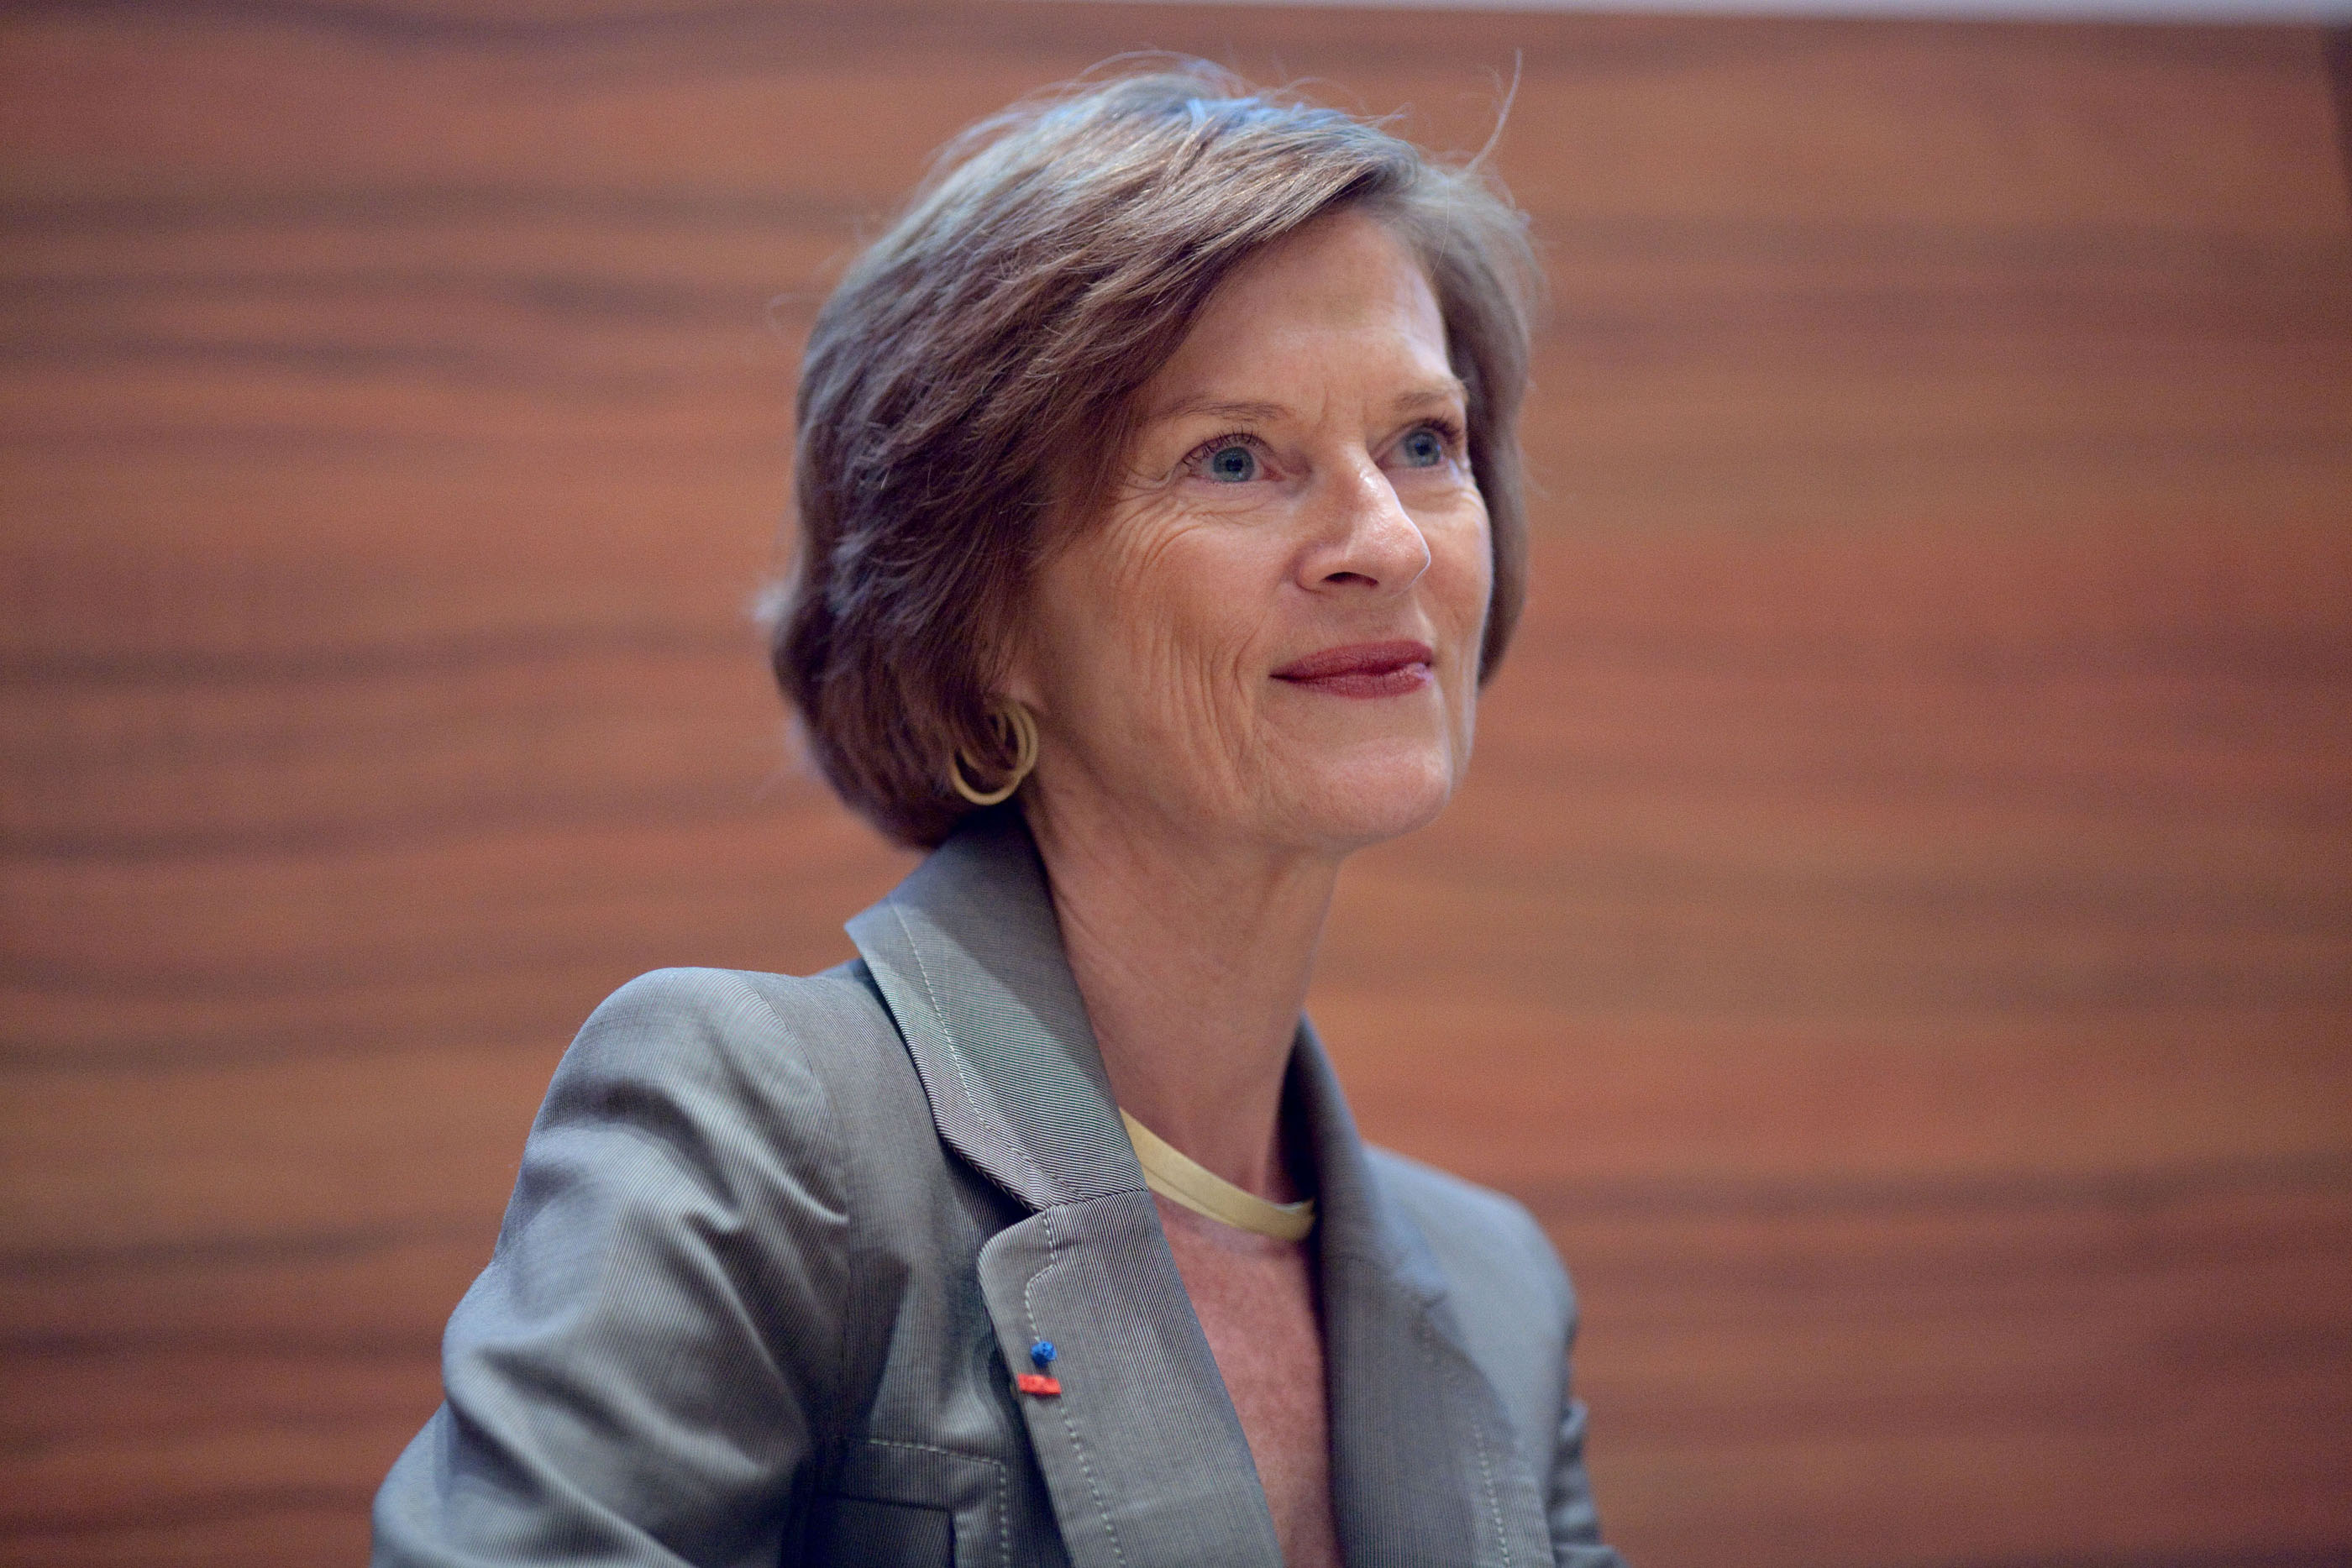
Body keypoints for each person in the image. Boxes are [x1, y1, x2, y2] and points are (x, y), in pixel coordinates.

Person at [375, 60, 1624, 1568]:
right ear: (983, 615)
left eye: (1424, 443)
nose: (1388, 542)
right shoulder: (754, 1134)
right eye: (1234, 458)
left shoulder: (1499, 1298)